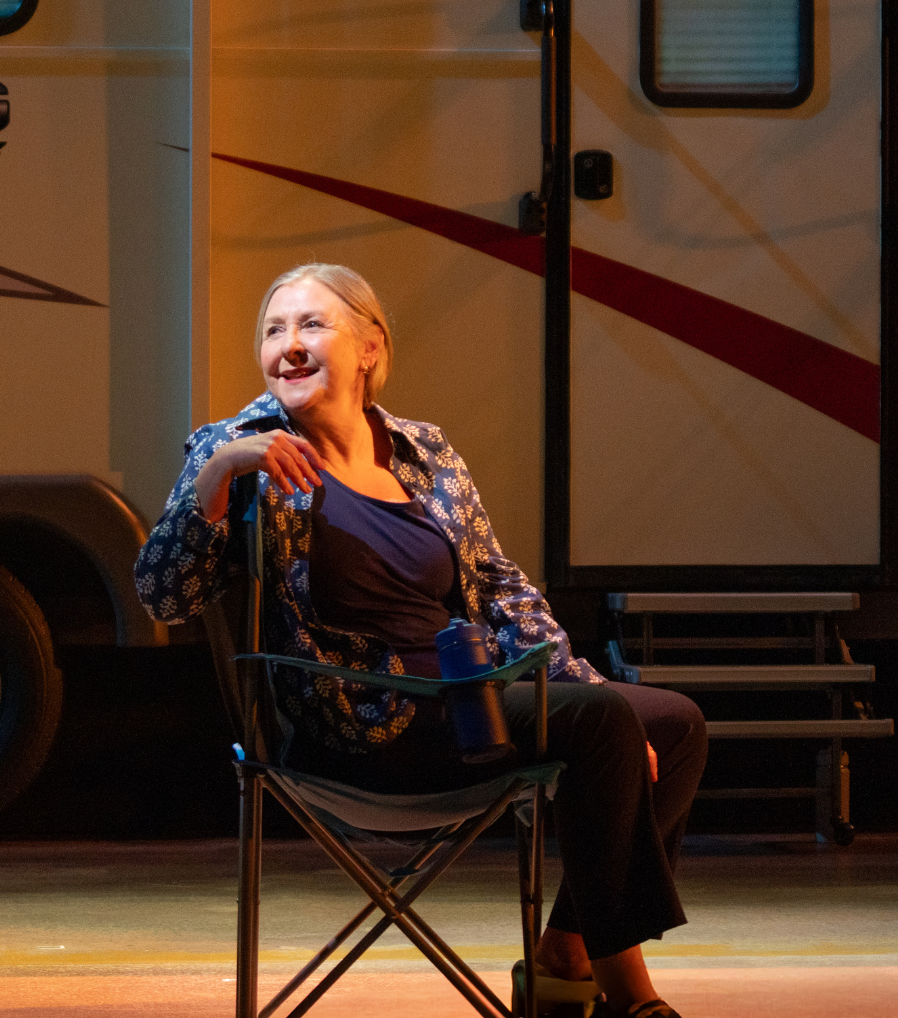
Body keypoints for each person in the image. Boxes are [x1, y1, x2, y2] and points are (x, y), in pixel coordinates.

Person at [135, 263, 707, 1018]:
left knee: (673, 721)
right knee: (605, 726)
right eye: (273, 331)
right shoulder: (238, 450)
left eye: (312, 325)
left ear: (370, 345)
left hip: (467, 703)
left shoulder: (424, 452)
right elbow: (165, 594)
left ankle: (564, 953)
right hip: (363, 722)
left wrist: (591, 688)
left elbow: (502, 591)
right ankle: (632, 998)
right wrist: (218, 473)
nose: (288, 347)